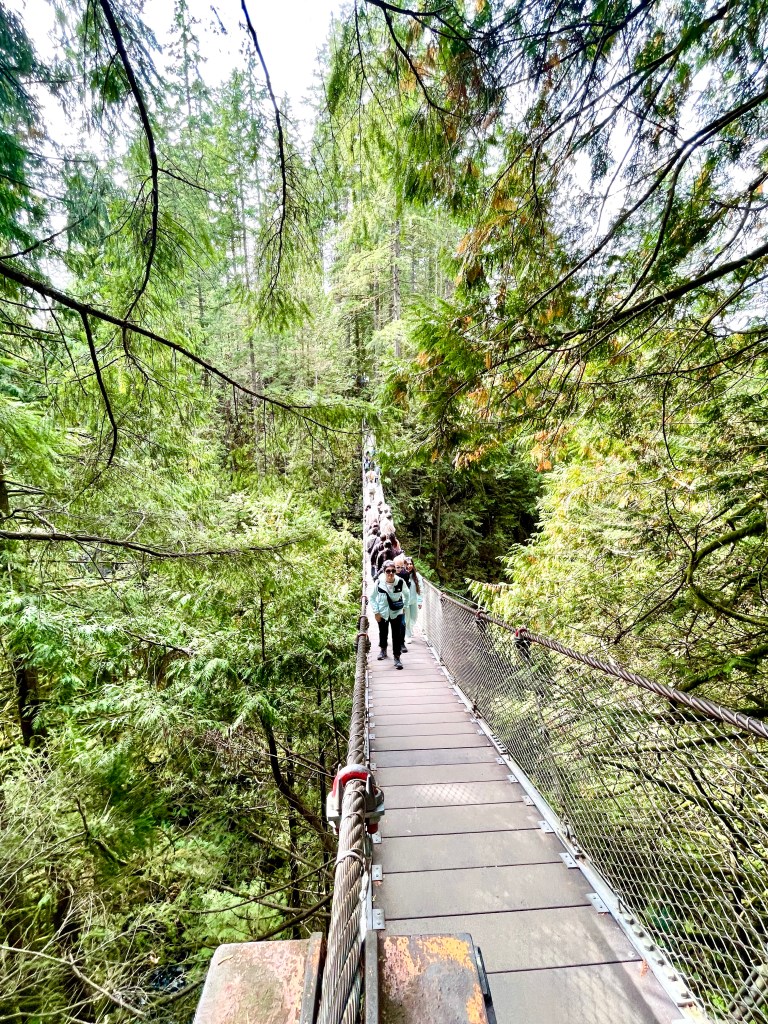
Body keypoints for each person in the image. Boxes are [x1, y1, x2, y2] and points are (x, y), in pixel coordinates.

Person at [369, 560, 408, 669]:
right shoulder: (378, 583)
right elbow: (372, 598)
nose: (391, 573)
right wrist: (376, 612)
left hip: (397, 612)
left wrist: (405, 606)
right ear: (384, 571)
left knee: (396, 634)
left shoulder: (400, 582)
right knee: (383, 632)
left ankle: (397, 657)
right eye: (388, 571)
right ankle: (383, 650)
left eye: (393, 571)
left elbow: (407, 594)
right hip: (382, 612)